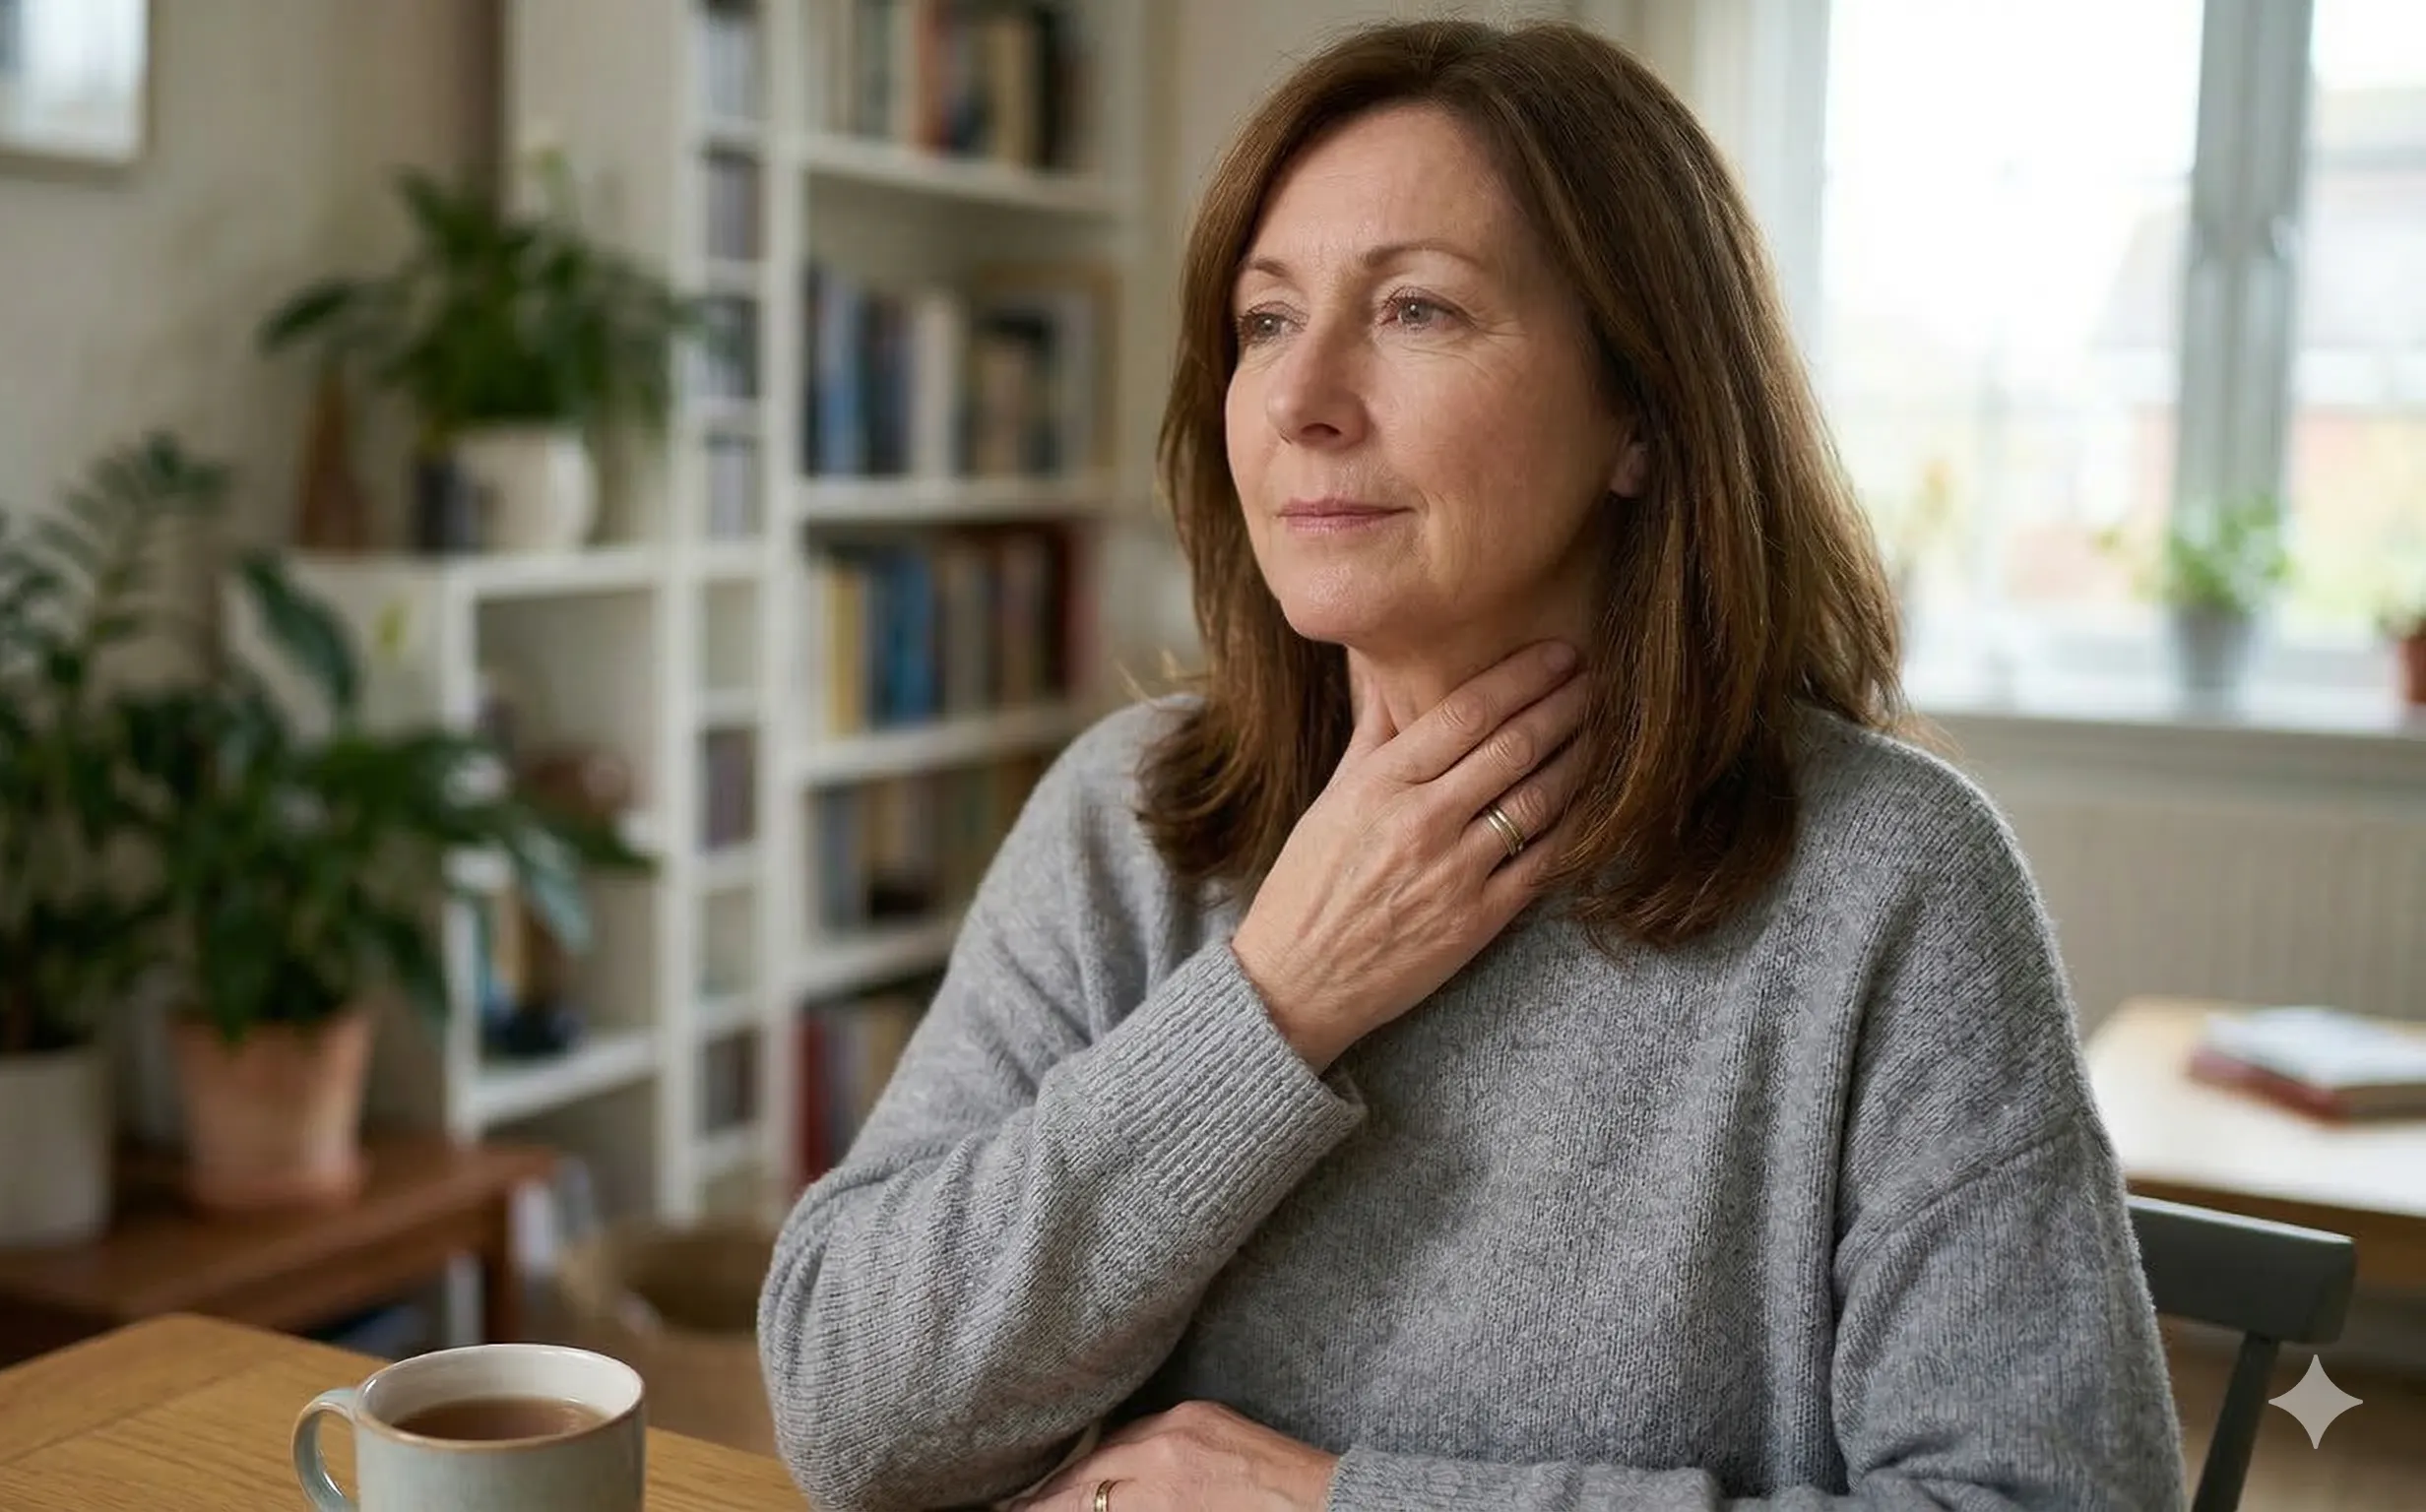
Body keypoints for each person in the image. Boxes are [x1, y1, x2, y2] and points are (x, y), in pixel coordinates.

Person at [758, 18, 2182, 1511]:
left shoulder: (1890, 885)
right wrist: (1276, 1000)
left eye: (1419, 311)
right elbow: (854, 1420)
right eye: (1262, 321)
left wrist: (1333, 1505)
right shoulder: (1130, 819)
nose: (1303, 398)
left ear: (1639, 411)